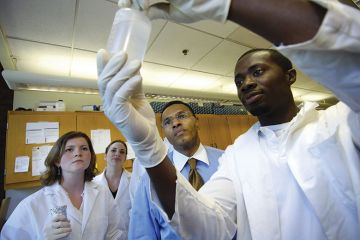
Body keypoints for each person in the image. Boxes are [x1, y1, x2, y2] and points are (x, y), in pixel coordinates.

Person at [97, 0, 360, 239]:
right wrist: (149, 148)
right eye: (239, 81)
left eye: (257, 72)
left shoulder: (340, 121)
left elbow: (351, 57)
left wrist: (228, 4)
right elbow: (207, 227)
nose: (246, 84)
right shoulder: (238, 154)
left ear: (290, 76)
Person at [1, 131, 124, 239]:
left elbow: (115, 234)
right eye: (69, 149)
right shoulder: (33, 204)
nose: (78, 153)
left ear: (90, 157)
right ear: (57, 160)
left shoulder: (103, 193)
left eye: (84, 148)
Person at [128, 100, 223, 239]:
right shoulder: (153, 177)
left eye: (182, 116)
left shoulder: (226, 161)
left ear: (197, 121)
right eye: (167, 122)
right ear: (164, 133)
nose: (175, 123)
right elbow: (142, 234)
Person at [93, 140, 131, 239]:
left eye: (122, 152)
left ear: (125, 158)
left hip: (129, 235)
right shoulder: (93, 184)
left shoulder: (135, 181)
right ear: (105, 156)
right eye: (113, 150)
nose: (117, 153)